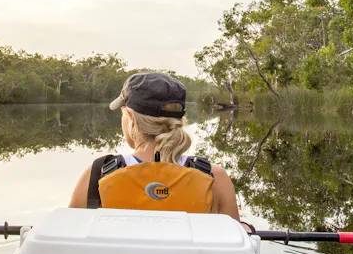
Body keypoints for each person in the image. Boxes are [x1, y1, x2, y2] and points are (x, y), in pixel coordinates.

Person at [69, 71, 240, 220]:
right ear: (180, 120)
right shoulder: (214, 177)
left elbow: (68, 243)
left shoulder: (98, 174)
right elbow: (234, 247)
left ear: (131, 118)